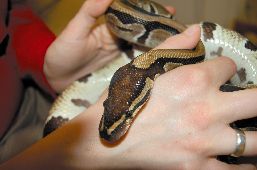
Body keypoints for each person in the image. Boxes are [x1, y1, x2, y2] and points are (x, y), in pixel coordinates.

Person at [0, 0, 257, 169]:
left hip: (35, 100)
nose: (114, 129)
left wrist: (47, 67)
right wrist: (77, 156)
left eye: (129, 114)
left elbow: (11, 19)